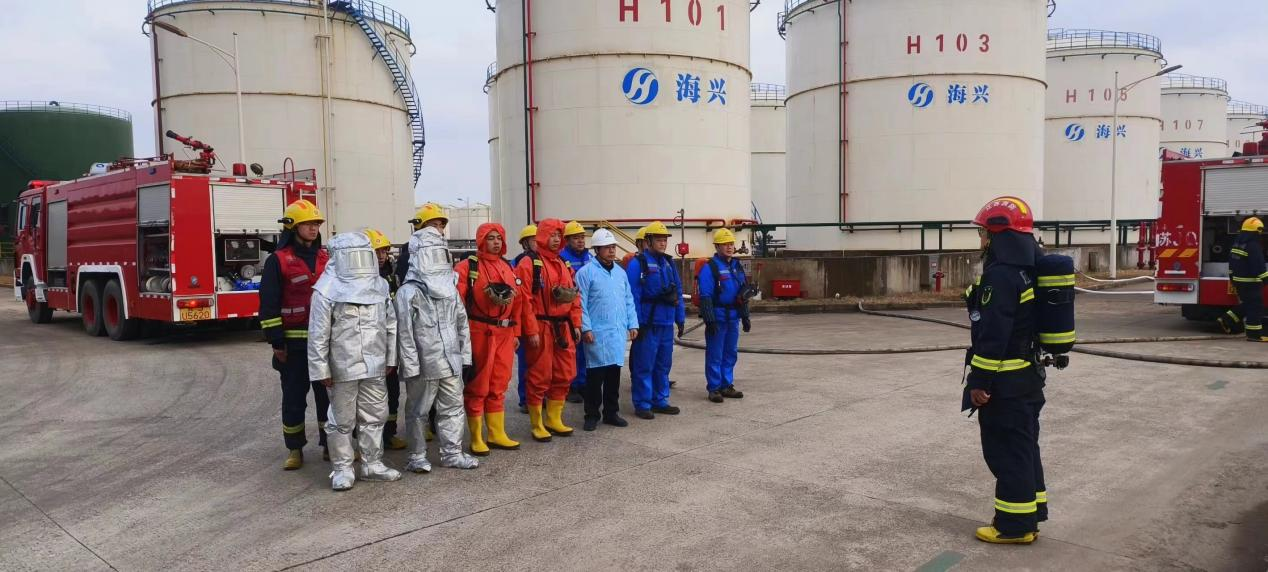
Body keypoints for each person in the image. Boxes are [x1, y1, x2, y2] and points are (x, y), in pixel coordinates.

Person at [963, 196, 1048, 545]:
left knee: (1006, 453)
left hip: (1005, 385)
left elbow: (993, 335)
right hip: (1028, 380)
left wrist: (979, 382)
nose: (981, 240)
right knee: (1024, 449)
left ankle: (1013, 527)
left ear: (997, 234)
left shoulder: (1000, 276)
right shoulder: (1030, 271)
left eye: (983, 233)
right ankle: (1030, 515)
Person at [308, 232, 401, 491]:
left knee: (375, 416)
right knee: (341, 420)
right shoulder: (326, 290)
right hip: (342, 366)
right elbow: (318, 334)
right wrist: (321, 369)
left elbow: (391, 324)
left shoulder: (379, 286)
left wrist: (390, 358)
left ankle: (372, 464)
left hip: (375, 363)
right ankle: (342, 468)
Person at [395, 225, 480, 473]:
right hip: (424, 364)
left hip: (451, 361)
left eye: (439, 252)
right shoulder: (408, 292)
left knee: (453, 408)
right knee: (418, 411)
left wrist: (465, 357)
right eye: (430, 253)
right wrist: (410, 366)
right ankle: (417, 456)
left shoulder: (450, 288)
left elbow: (462, 323)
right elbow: (404, 334)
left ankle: (452, 453)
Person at [258, 199, 330, 470]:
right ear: (292, 227)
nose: (314, 228)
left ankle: (330, 445)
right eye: (307, 224)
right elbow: (269, 303)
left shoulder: (326, 258)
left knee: (328, 398)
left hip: (324, 344)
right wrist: (277, 341)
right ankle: (295, 449)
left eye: (316, 224)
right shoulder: (278, 261)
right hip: (293, 346)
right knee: (294, 399)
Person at [455, 223, 533, 455]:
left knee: (499, 383)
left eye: (499, 238)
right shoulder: (467, 267)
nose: (496, 242)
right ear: (481, 240)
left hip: (505, 334)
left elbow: (519, 302)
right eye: (490, 238)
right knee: (478, 384)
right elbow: (456, 303)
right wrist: (461, 335)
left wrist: (516, 333)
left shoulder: (508, 267)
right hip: (478, 332)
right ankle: (476, 437)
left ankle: (497, 433)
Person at [515, 219, 582, 441]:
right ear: (542, 236)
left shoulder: (563, 263)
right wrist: (531, 330)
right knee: (539, 375)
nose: (556, 239)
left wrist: (576, 324)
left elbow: (574, 297)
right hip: (541, 326)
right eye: (552, 235)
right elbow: (524, 300)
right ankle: (537, 424)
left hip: (563, 327)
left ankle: (554, 419)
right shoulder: (529, 264)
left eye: (558, 235)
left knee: (565, 373)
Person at [575, 229, 639, 431]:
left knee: (613, 375)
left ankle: (611, 413)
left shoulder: (620, 273)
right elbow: (580, 303)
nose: (612, 251)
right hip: (597, 333)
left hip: (616, 332)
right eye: (607, 248)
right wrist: (586, 328)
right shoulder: (585, 273)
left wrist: (633, 324)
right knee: (595, 377)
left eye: (613, 247)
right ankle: (591, 414)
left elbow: (628, 300)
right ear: (596, 249)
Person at [626, 221, 685, 419]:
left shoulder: (668, 263)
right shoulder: (638, 264)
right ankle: (643, 403)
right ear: (649, 241)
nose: (663, 243)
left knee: (663, 364)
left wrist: (680, 318)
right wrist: (635, 323)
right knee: (644, 365)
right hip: (648, 323)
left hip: (666, 323)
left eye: (664, 239)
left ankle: (660, 400)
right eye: (659, 239)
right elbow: (632, 295)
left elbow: (677, 290)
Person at [697, 228, 752, 404]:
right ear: (717, 246)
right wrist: (710, 320)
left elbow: (743, 293)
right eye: (725, 244)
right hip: (718, 317)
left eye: (731, 244)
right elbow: (706, 296)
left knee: (730, 352)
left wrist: (745, 316)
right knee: (715, 354)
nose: (729, 247)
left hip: (733, 317)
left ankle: (726, 385)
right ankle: (714, 388)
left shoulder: (736, 266)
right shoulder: (710, 268)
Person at [366, 228, 408, 451]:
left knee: (392, 391)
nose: (381, 256)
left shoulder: (392, 277)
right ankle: (366, 438)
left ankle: (389, 434)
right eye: (377, 251)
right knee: (368, 394)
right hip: (368, 344)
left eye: (384, 251)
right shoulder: (361, 280)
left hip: (389, 342)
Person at [560, 221, 592, 404]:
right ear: (567, 240)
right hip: (570, 310)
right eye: (576, 238)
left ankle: (583, 384)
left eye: (582, 237)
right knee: (572, 352)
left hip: (587, 309)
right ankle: (571, 386)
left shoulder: (590, 257)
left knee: (586, 350)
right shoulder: (562, 258)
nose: (580, 241)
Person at [1219, 217, 1267, 341]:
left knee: (1248, 304)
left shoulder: (1237, 243)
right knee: (1255, 307)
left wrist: (1232, 278)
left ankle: (1227, 319)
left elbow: (1231, 263)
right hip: (1251, 283)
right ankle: (1254, 335)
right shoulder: (1253, 246)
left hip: (1239, 281)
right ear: (1256, 231)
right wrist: (1266, 279)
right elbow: (1259, 266)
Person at [513, 224, 538, 414]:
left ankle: (538, 396)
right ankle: (526, 399)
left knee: (541, 363)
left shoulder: (545, 261)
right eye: (534, 240)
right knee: (526, 362)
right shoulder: (521, 262)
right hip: (524, 319)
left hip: (541, 320)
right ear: (525, 243)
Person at [395, 202, 449, 286]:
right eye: (434, 226)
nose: (438, 231)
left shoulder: (442, 254)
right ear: (421, 229)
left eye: (441, 226)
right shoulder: (408, 258)